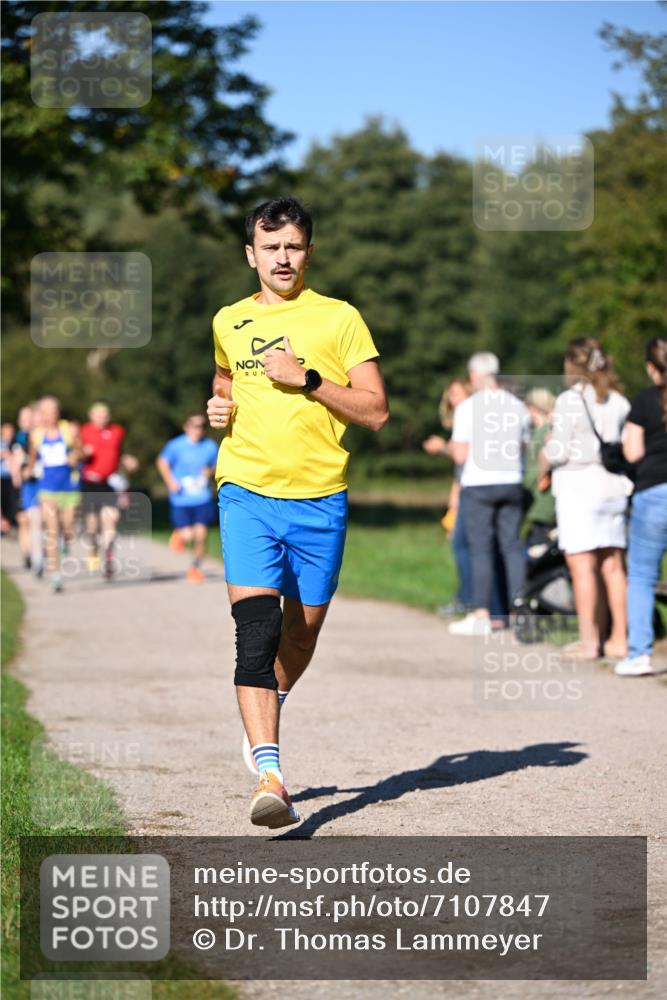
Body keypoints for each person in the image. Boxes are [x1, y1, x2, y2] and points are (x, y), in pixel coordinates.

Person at [207, 196, 389, 828]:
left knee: (300, 632)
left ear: (309, 251)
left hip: (320, 500)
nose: (283, 258)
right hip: (246, 491)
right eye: (271, 246)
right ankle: (270, 774)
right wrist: (218, 407)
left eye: (294, 246)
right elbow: (225, 381)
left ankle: (267, 702)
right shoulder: (227, 320)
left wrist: (307, 379)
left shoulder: (340, 319)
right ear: (251, 253)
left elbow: (375, 411)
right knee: (255, 633)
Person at [544, 337, 631, 660]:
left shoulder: (570, 400)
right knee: (613, 567)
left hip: (579, 489)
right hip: (613, 487)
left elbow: (560, 451)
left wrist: (547, 445)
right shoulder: (619, 401)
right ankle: (619, 639)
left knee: (583, 569)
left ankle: (589, 641)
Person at [447, 352, 529, 636]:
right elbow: (524, 447)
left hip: (479, 485)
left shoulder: (468, 407)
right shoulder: (518, 406)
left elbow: (459, 454)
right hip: (512, 481)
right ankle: (519, 611)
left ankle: (481, 613)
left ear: (473, 376)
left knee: (480, 549)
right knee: (511, 547)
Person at [615, 337, 667, 676]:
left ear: (651, 367)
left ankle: (639, 655)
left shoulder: (646, 400)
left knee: (642, 576)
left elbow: (632, 452)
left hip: (654, 493)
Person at [26, 397, 83, 593]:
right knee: (51, 532)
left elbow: (81, 451)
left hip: (69, 488)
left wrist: (75, 456)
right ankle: (56, 576)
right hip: (47, 489)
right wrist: (28, 470)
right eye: (46, 412)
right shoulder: (37, 435)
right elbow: (33, 459)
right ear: (41, 414)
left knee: (68, 527)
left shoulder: (69, 430)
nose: (50, 415)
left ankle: (66, 541)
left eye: (53, 411)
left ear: (58, 412)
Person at [157, 414, 219, 583]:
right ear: (186, 427)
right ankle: (180, 535)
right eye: (194, 425)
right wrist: (171, 482)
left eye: (202, 425)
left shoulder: (210, 447)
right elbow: (162, 463)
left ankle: (195, 568)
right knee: (189, 535)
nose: (198, 429)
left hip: (202, 498)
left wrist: (210, 471)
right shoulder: (176, 445)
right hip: (181, 499)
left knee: (201, 535)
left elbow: (217, 466)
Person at [80, 402, 138, 580]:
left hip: (109, 482)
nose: (102, 418)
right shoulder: (84, 431)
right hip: (90, 482)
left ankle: (108, 559)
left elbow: (117, 452)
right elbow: (75, 455)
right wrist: (83, 453)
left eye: (105, 414)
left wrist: (127, 460)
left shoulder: (117, 431)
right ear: (91, 416)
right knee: (92, 526)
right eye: (98, 415)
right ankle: (93, 550)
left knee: (111, 519)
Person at [523, 387, 557, 549]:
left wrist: (533, 481)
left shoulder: (541, 432)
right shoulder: (554, 427)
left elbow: (542, 461)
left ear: (532, 408)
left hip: (542, 502)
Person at [11, 405, 43, 572]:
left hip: (41, 482)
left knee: (37, 519)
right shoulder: (20, 437)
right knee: (24, 520)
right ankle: (28, 553)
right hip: (25, 483)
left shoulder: (41, 435)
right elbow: (13, 457)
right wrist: (17, 473)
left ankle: (38, 551)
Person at [1, 422, 17, 534]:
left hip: (11, 478)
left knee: (11, 503)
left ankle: (8, 524)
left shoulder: (15, 444)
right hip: (1, 477)